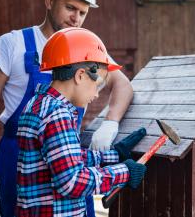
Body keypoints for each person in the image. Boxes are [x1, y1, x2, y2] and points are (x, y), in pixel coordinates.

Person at [0, 0, 133, 216]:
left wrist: (110, 123)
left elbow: (122, 84)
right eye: (70, 8)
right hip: (19, 156)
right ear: (49, 0)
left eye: (83, 12)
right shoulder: (12, 44)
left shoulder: (85, 46)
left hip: (67, 151)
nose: (76, 18)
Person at [16, 27, 146, 217]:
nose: (96, 94)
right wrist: (124, 171)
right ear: (80, 75)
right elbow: (72, 182)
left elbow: (63, 159)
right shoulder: (58, 114)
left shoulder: (37, 104)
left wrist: (114, 155)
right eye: (98, 84)